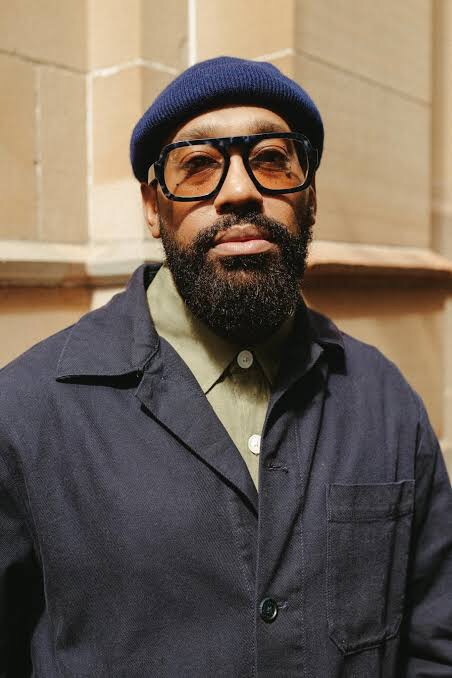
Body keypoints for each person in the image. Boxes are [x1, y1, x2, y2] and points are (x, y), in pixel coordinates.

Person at [0, 56, 451, 678]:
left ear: (309, 197)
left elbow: (434, 641)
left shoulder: (385, 400)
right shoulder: (26, 414)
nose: (239, 190)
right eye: (198, 165)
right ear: (153, 207)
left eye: (271, 159)